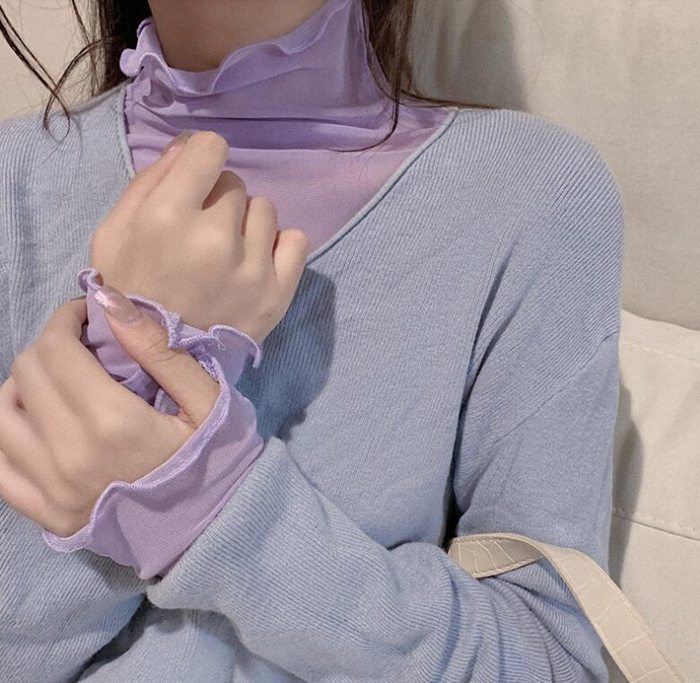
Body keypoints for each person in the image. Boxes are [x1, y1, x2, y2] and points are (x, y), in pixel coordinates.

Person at [0, 0, 624, 680]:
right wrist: (124, 358)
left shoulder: (530, 195)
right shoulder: (13, 179)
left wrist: (206, 508)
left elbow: (551, 663)